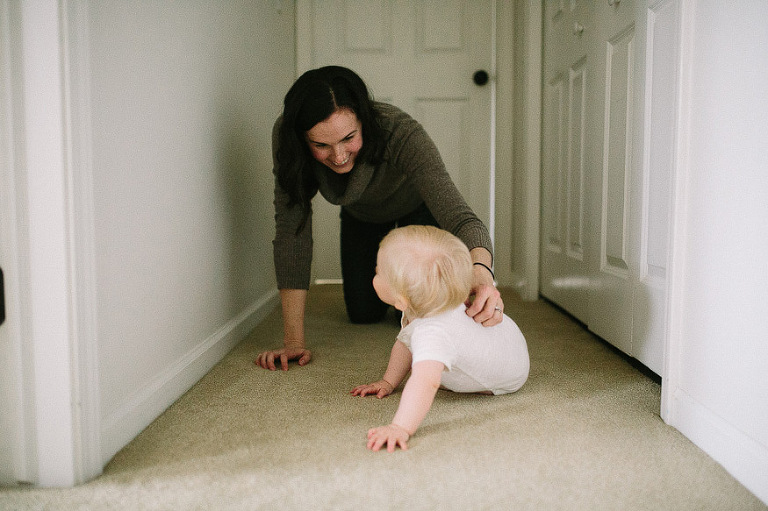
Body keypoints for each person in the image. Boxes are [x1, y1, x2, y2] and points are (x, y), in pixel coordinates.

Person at [256, 66, 503, 372]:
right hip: (362, 214)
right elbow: (292, 232)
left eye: (348, 138)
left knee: (436, 304)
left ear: (364, 121)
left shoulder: (399, 131)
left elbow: (462, 218)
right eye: (321, 145)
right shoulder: (287, 138)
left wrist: (481, 272)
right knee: (362, 313)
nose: (339, 156)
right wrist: (293, 342)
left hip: (417, 210)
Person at [350, 226, 529, 452]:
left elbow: (426, 382)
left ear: (401, 300)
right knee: (428, 347)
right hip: (506, 335)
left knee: (431, 369)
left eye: (378, 271)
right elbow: (405, 341)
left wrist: (400, 427)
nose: (374, 272)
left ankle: (478, 383)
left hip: (510, 372)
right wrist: (388, 381)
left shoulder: (432, 331)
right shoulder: (435, 299)